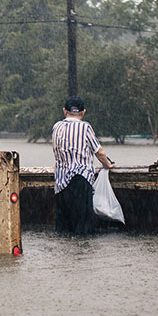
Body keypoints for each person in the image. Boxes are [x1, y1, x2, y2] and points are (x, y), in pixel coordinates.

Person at [51, 96, 114, 235]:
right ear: (83, 112)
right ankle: (82, 255)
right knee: (83, 228)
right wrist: (108, 164)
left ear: (64, 111)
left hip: (60, 184)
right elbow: (99, 152)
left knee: (64, 228)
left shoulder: (56, 127)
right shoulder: (85, 127)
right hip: (80, 181)